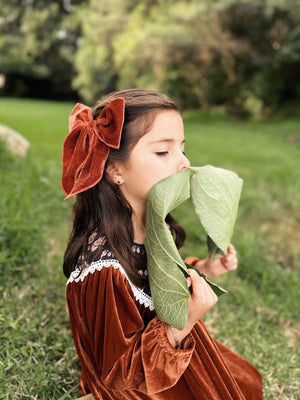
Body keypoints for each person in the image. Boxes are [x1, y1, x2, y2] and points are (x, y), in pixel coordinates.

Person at [62, 89, 263, 400]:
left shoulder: (150, 223)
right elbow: (120, 374)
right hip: (137, 383)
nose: (184, 163)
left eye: (182, 149)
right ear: (115, 170)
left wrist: (202, 268)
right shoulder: (104, 267)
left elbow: (155, 277)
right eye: (163, 152)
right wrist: (183, 318)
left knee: (245, 381)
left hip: (165, 361)